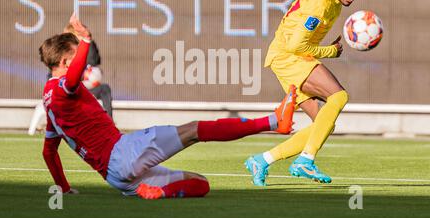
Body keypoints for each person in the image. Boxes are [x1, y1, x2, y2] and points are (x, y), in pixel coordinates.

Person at [40, 14, 296, 199]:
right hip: (122, 152)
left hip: (116, 178)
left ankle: (158, 192)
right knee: (195, 130)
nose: (83, 63)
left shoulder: (49, 99)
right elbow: (72, 80)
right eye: (77, 57)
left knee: (200, 184)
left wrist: (62, 187)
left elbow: (49, 151)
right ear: (64, 61)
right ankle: (274, 122)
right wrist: (85, 39)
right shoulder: (63, 86)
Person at [245, 0, 363, 186]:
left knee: (322, 123)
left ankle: (262, 160)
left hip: (284, 57)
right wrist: (330, 50)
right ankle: (305, 161)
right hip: (290, 57)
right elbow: (296, 46)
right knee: (339, 96)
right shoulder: (319, 6)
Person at [63, 24, 113, 118]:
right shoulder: (62, 53)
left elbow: (94, 61)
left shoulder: (86, 47)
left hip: (85, 89)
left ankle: (109, 123)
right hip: (69, 91)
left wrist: (87, 41)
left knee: (105, 88)